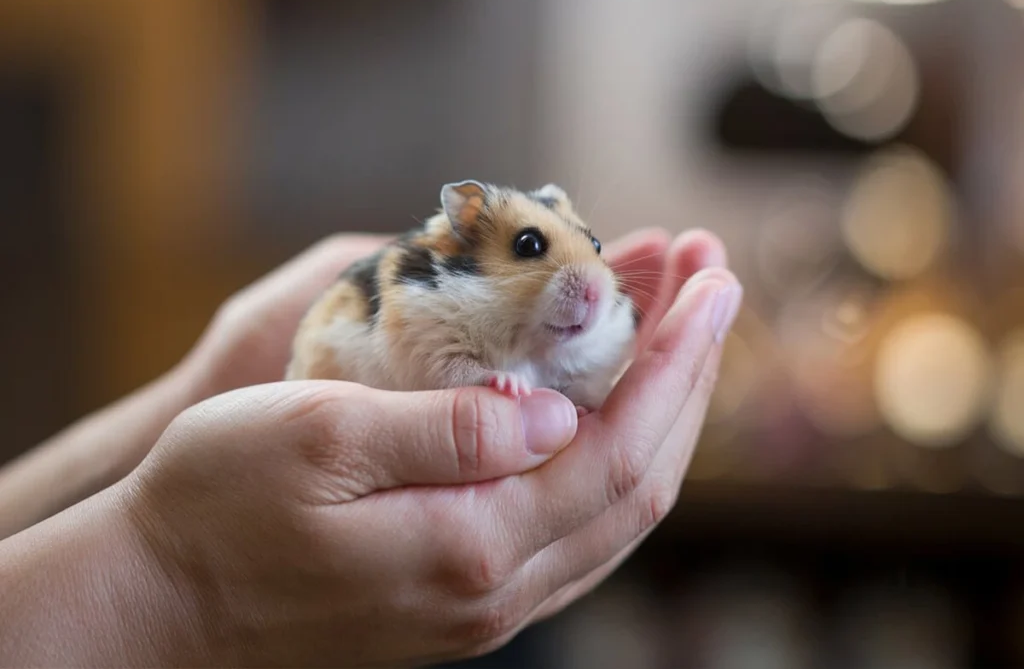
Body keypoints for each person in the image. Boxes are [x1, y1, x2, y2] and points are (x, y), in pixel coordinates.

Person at [0, 226, 742, 667]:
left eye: (595, 248)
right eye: (527, 247)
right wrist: (167, 575)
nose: (588, 277)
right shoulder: (424, 302)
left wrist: (182, 406)